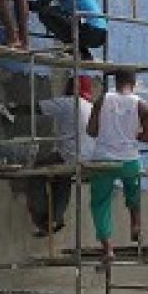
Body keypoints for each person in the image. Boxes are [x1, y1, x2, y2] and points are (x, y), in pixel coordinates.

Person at [86, 68, 148, 265]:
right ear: (133, 83)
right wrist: (131, 134)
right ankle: (135, 224)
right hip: (129, 160)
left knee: (100, 203)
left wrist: (109, 133)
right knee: (133, 191)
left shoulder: (102, 100)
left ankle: (108, 248)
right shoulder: (141, 106)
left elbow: (91, 131)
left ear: (115, 82)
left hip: (103, 160)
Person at [28, 76, 95, 237]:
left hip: (71, 156)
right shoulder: (91, 107)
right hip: (89, 158)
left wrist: (12, 109)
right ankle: (55, 218)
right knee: (63, 177)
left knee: (36, 171)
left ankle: (44, 217)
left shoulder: (69, 102)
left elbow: (38, 107)